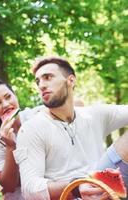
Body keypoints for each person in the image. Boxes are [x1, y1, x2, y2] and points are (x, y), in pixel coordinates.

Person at [14, 56, 128, 199]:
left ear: (71, 80)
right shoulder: (31, 128)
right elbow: (30, 189)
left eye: (47, 77)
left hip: (106, 191)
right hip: (69, 195)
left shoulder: (94, 115)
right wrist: (76, 186)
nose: (41, 85)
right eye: (38, 81)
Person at [0, 79, 42, 200]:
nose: (6, 104)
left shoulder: (34, 116)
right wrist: (10, 147)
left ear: (15, 95)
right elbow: (9, 186)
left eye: (8, 97)